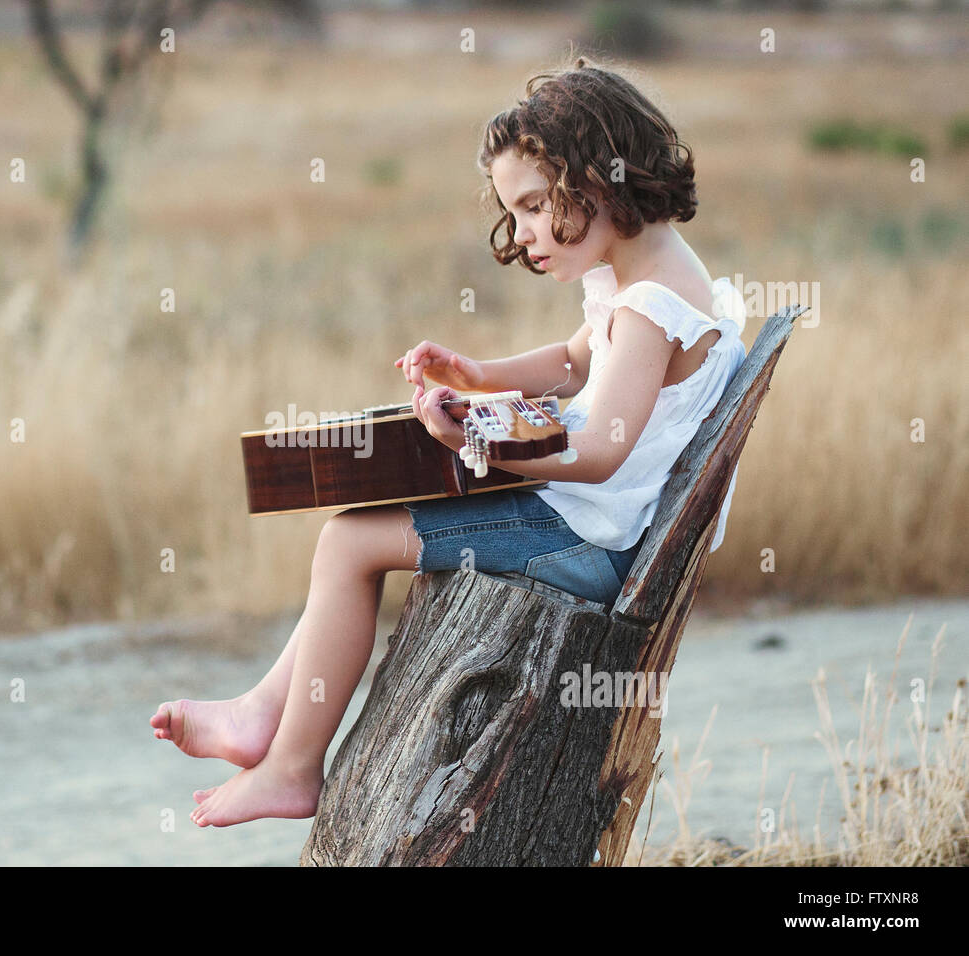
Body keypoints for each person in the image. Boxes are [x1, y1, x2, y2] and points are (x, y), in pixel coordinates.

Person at [152, 56, 748, 828]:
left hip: (584, 542)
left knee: (347, 543)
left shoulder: (652, 304)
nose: (527, 233)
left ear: (600, 177)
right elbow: (573, 363)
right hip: (580, 521)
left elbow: (601, 450)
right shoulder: (643, 272)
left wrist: (476, 441)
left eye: (537, 205)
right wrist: (475, 376)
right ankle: (264, 712)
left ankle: (293, 767)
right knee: (365, 511)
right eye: (516, 211)